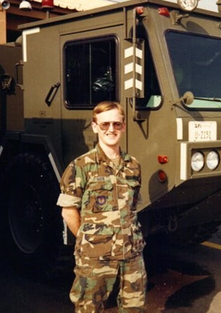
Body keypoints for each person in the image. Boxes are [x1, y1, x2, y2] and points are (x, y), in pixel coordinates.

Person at [57, 101, 146, 313]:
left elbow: (133, 207)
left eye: (116, 124)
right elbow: (68, 211)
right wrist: (88, 239)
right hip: (95, 257)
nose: (111, 129)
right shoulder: (80, 166)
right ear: (95, 126)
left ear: (123, 126)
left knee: (135, 309)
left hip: (131, 255)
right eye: (105, 124)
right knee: (89, 309)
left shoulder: (133, 165)